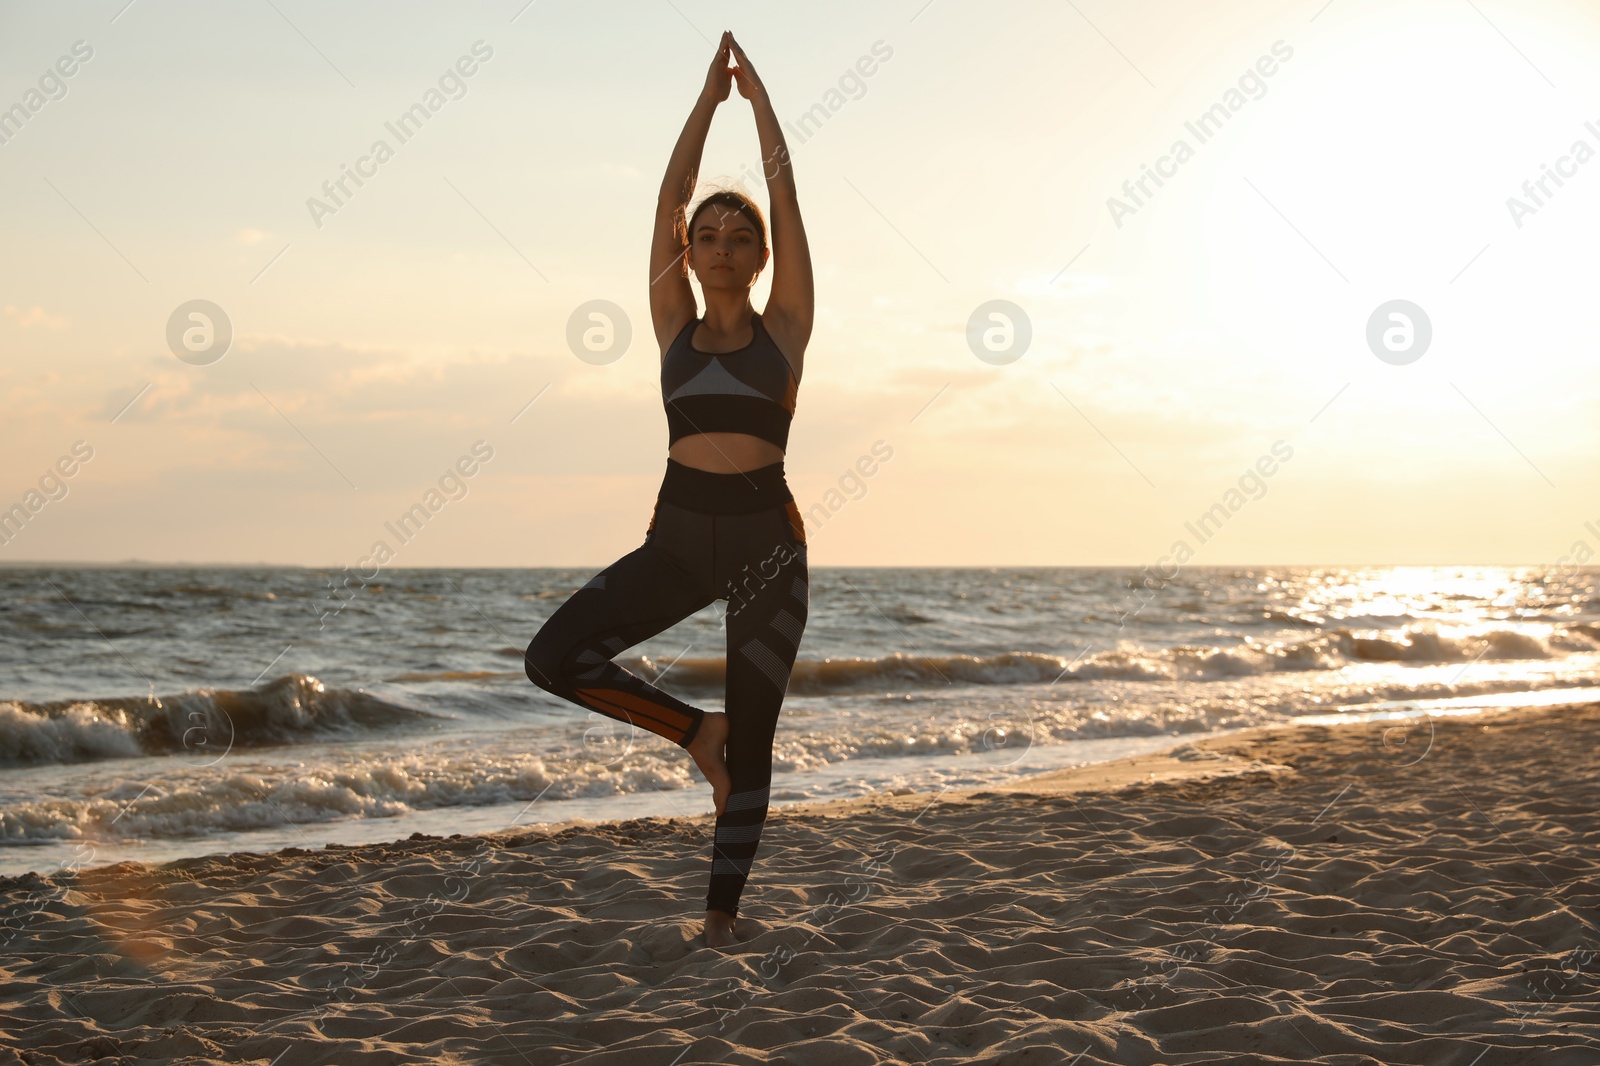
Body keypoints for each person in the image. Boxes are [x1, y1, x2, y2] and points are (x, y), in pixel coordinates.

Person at [524, 31, 814, 950]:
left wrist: (760, 106)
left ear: (761, 259)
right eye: (707, 238)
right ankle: (696, 734)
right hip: (679, 544)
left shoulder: (787, 329)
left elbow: (787, 196)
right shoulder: (672, 329)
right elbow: (665, 199)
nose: (722, 248)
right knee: (553, 659)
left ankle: (721, 919)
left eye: (741, 240)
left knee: (759, 746)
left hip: (769, 545)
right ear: (688, 256)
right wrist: (705, 103)